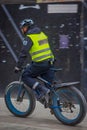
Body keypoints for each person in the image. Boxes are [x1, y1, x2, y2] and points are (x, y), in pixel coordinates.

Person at [15, 18, 55, 100]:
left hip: (40, 64)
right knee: (50, 87)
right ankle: (53, 103)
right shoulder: (42, 34)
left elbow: (23, 53)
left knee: (25, 76)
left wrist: (18, 66)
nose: (22, 30)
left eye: (23, 28)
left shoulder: (30, 37)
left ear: (27, 27)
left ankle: (41, 90)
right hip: (50, 62)